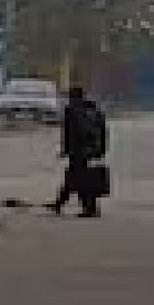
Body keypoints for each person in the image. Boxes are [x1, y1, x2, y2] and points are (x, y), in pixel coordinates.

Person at [47, 86, 108, 218]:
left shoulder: (71, 110)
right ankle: (59, 203)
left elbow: (70, 133)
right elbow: (103, 130)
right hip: (93, 150)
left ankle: (89, 209)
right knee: (77, 176)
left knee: (81, 179)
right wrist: (101, 149)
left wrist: (65, 150)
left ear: (72, 98)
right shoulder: (94, 109)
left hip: (78, 150)